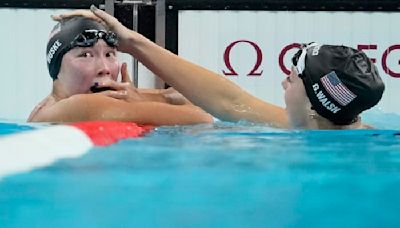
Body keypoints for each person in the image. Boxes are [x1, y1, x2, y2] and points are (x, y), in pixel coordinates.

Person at [53, 6, 385, 129]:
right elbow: (228, 102)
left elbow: (206, 114)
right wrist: (134, 43)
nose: (287, 78)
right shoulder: (323, 124)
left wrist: (141, 103)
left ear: (315, 105)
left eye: (296, 74)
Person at [28, 16, 213, 125]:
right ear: (56, 67)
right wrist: (140, 100)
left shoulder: (49, 107)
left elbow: (186, 97)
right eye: (86, 55)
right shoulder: (79, 106)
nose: (104, 69)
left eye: (109, 54)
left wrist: (138, 97)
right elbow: (202, 116)